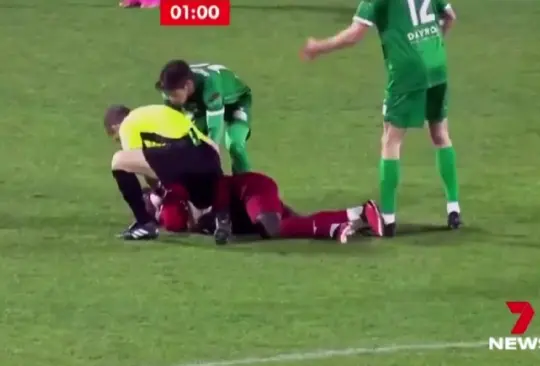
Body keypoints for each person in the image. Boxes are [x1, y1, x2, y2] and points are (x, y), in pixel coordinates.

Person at [300, 0, 460, 237]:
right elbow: (450, 16)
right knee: (440, 134)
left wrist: (318, 47)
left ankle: (387, 218)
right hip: (437, 63)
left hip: (407, 70)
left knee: (391, 140)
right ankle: (454, 208)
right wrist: (433, 44)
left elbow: (354, 35)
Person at [104, 104, 232, 243]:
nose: (119, 141)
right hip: (207, 156)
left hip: (179, 154)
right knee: (197, 203)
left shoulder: (128, 124)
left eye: (117, 138)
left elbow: (143, 166)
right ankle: (220, 215)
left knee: (119, 161)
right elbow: (212, 146)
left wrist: (157, 191)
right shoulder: (158, 112)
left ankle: (144, 224)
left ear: (115, 127)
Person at [146, 172, 384, 244]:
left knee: (273, 228)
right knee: (294, 225)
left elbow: (221, 189)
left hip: (250, 189)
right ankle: (343, 225)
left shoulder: (188, 191)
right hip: (250, 205)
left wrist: (222, 219)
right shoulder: (192, 217)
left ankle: (359, 212)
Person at [155, 60, 253, 174]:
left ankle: (245, 183)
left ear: (188, 85)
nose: (171, 99)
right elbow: (173, 124)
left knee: (234, 145)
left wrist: (212, 149)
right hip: (203, 105)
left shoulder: (210, 85)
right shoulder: (171, 90)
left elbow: (215, 130)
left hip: (235, 103)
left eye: (174, 95)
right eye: (168, 95)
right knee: (192, 143)